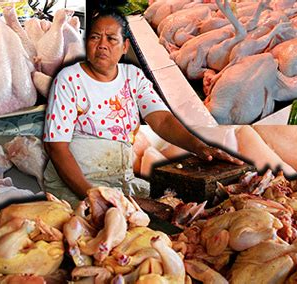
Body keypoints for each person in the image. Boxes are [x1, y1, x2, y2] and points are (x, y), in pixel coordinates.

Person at [43, 7, 243, 206]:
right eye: (95, 37)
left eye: (111, 38)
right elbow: (56, 146)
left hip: (120, 181)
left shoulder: (133, 76)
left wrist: (200, 147)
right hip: (76, 185)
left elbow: (162, 120)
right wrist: (92, 195)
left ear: (124, 46)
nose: (102, 45)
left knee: (170, 208)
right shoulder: (68, 80)